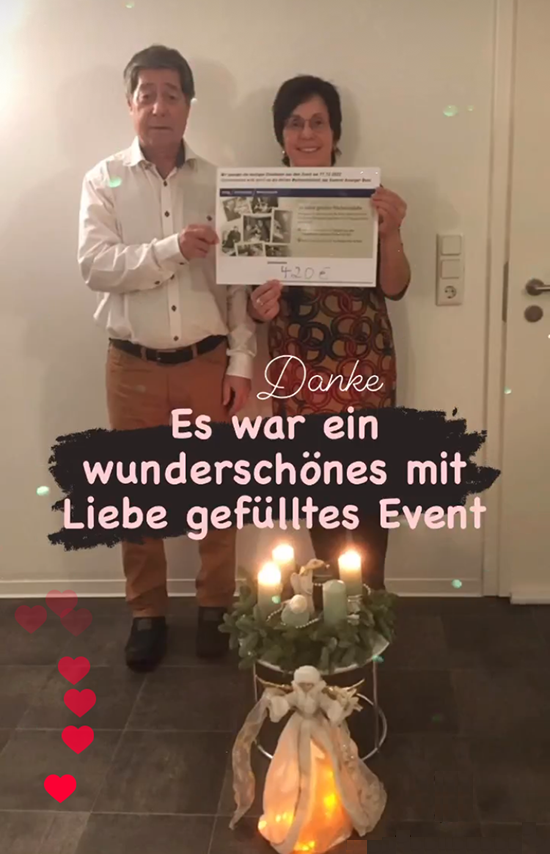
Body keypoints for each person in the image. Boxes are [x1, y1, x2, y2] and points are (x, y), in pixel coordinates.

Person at [78, 45, 256, 670]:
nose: (159, 106)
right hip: (132, 365)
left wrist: (240, 364)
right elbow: (95, 266)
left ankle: (215, 607)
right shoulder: (102, 179)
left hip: (207, 361)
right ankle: (147, 613)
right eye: (147, 94)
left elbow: (236, 284)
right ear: (130, 105)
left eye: (171, 94)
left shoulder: (220, 183)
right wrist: (172, 249)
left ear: (188, 105)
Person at [250, 75, 410, 590]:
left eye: (318, 122)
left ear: (335, 133)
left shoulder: (366, 199)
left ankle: (372, 603)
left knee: (368, 491)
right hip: (299, 368)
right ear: (281, 135)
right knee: (318, 490)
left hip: (363, 365)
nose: (307, 134)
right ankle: (333, 607)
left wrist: (392, 232)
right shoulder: (259, 203)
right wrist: (258, 307)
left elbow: (395, 286)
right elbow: (253, 297)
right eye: (295, 123)